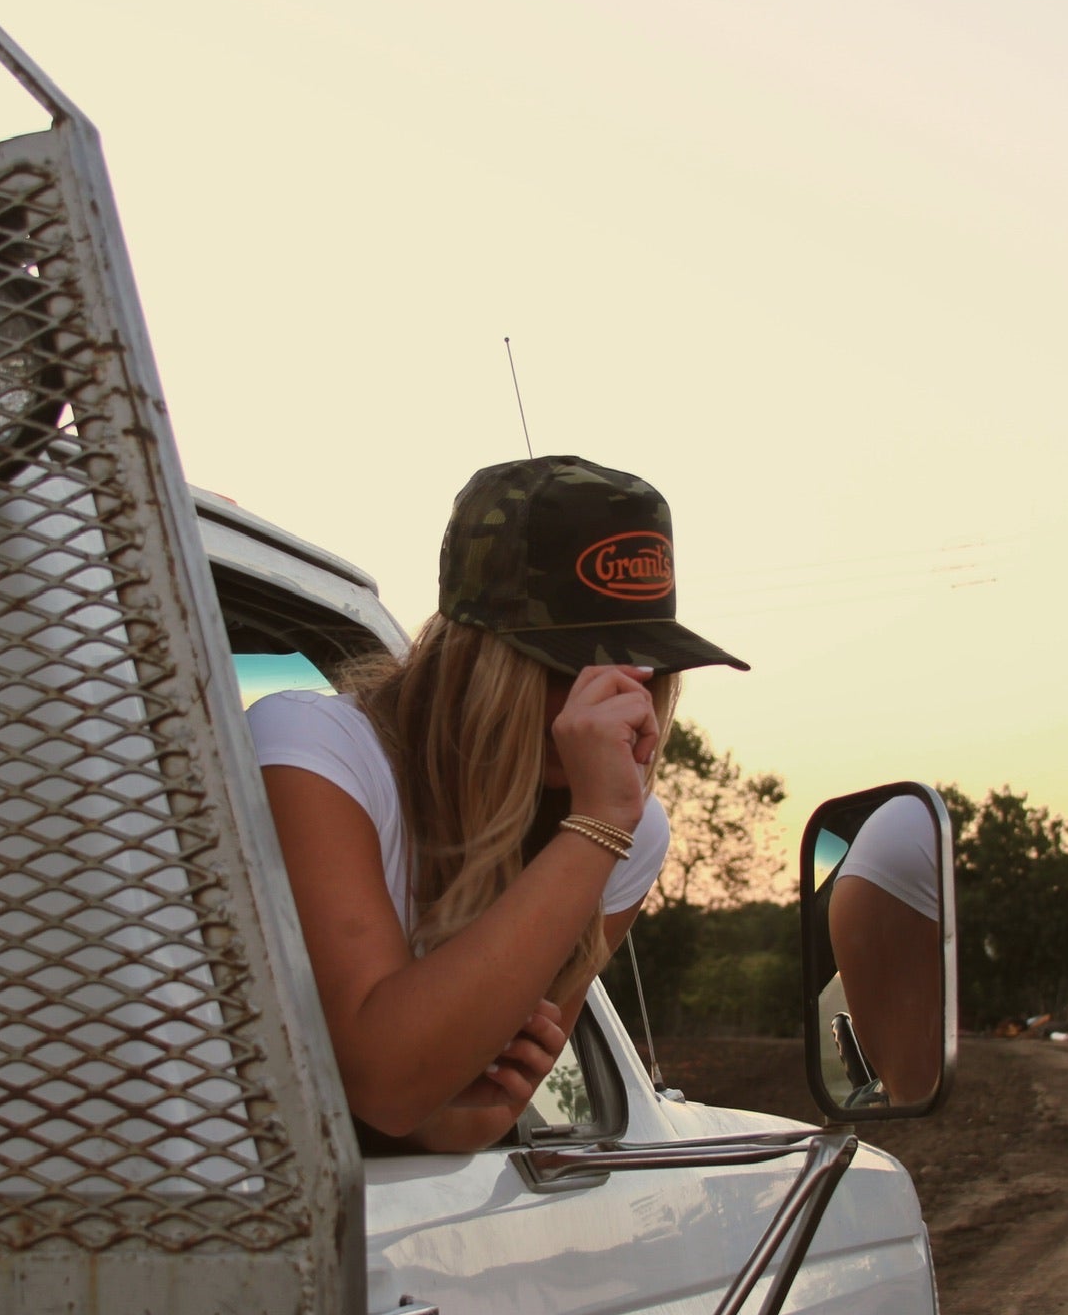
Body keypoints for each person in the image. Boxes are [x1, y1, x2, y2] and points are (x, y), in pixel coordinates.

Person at [248, 457, 746, 1151]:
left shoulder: (631, 826)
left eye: (644, 668)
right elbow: (390, 1082)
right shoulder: (315, 747)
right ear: (477, 658)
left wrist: (443, 1096)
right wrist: (597, 827)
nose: (613, 710)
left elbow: (482, 1116)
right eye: (572, 669)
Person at [825, 792, 944, 1107]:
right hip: (889, 871)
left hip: (877, 872)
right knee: (908, 1092)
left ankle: (893, 1094)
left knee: (907, 1091)